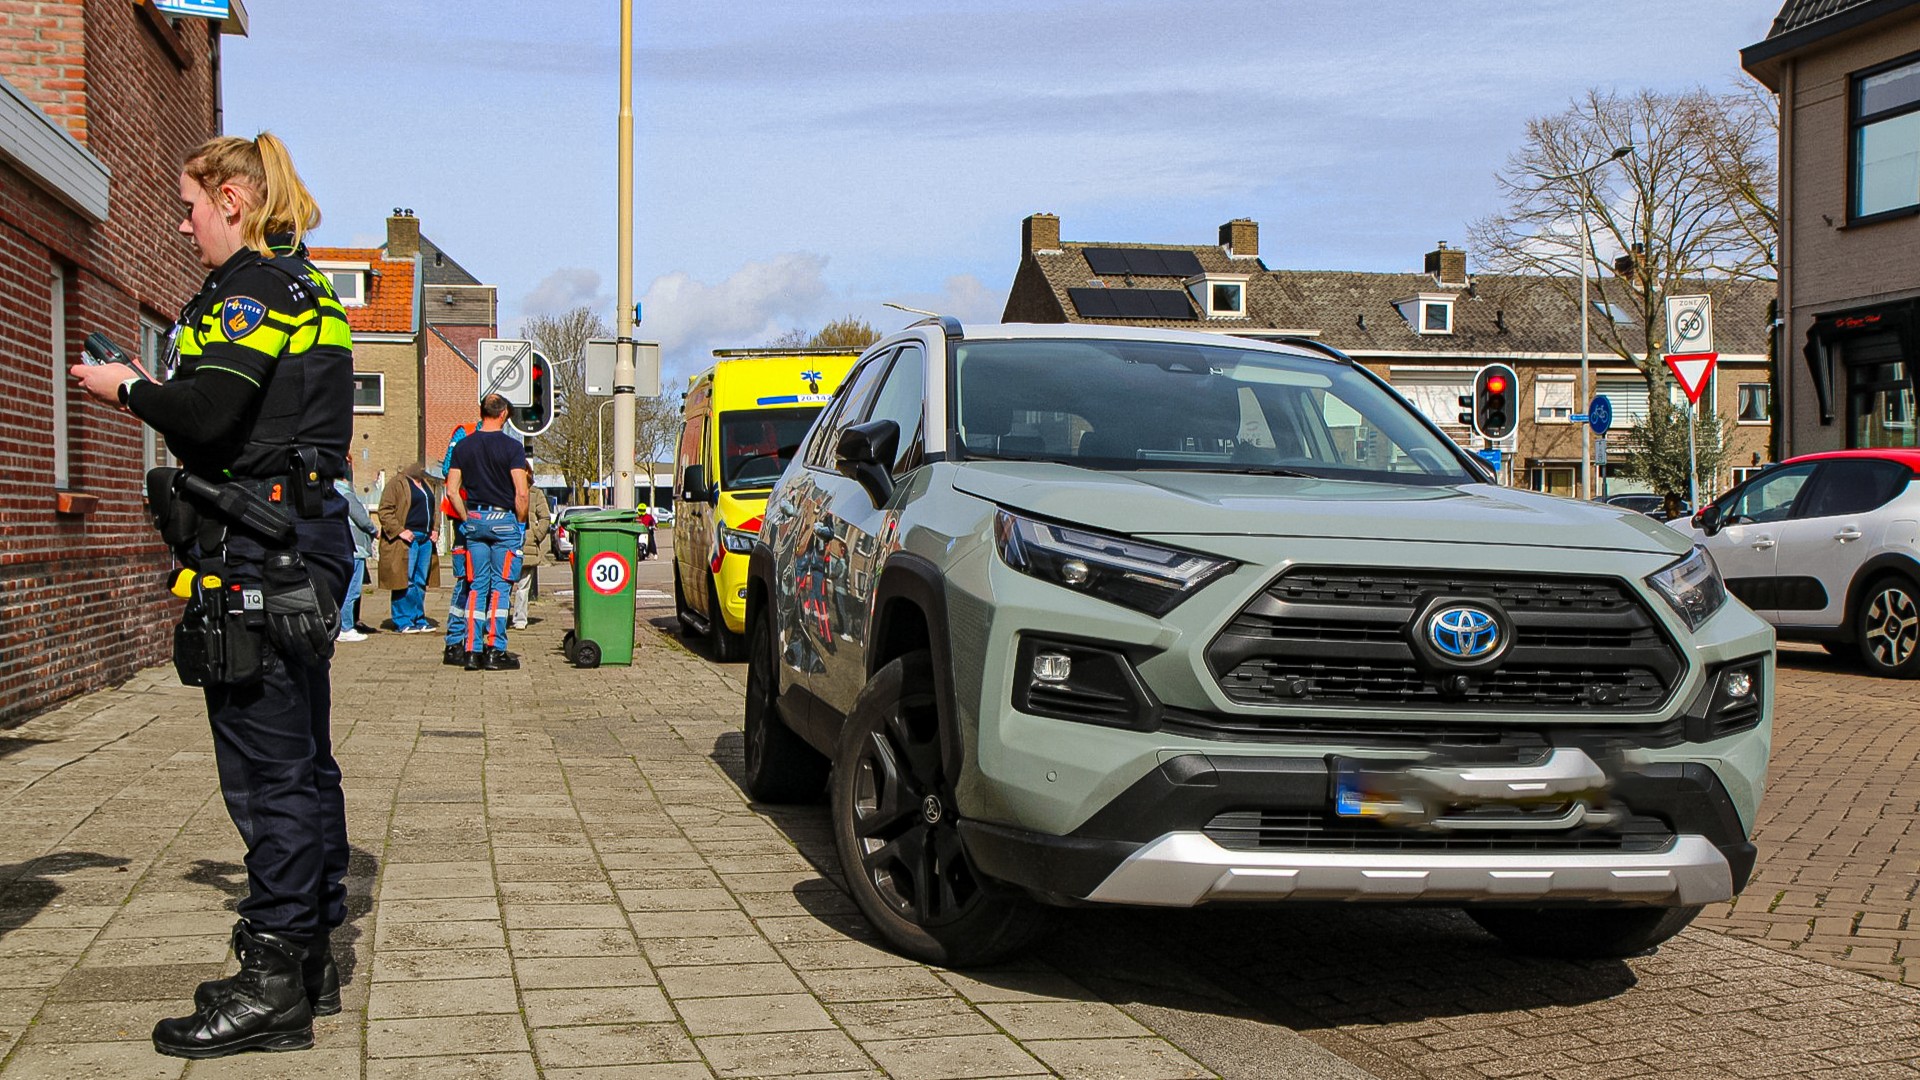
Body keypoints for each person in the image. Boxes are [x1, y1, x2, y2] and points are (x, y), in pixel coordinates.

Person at [70, 132, 351, 1058]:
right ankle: (307, 956)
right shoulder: (304, 286)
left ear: (234, 198)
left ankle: (272, 985)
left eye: (191, 205)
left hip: (262, 552)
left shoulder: (252, 292)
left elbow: (209, 417)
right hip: (296, 541)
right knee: (303, 759)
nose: (183, 224)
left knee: (267, 773)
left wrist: (127, 387)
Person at [444, 394, 531, 671]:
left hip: (475, 519)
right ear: (504, 413)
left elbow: (451, 490)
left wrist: (466, 516)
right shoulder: (512, 447)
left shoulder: (464, 446)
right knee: (501, 587)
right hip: (503, 520)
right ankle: (495, 650)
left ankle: (471, 650)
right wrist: (519, 524)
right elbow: (521, 492)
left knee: (476, 586)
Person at [377, 463, 439, 633]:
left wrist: (435, 529)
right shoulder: (397, 483)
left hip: (425, 539)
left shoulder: (425, 484)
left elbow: (434, 510)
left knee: (420, 580)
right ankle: (403, 620)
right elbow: (385, 510)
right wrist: (400, 531)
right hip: (406, 540)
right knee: (405, 580)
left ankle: (418, 617)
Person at [336, 471, 376, 641]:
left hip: (344, 545)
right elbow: (361, 518)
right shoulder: (345, 493)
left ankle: (343, 625)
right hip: (356, 546)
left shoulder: (332, 492)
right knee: (352, 589)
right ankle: (346, 627)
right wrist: (374, 530)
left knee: (344, 588)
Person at [511, 494, 551, 630]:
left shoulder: (506, 486)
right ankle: (518, 619)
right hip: (523, 543)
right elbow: (545, 517)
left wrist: (536, 535)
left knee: (507, 586)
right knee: (521, 587)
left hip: (514, 543)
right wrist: (537, 535)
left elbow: (545, 517)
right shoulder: (535, 492)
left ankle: (504, 618)